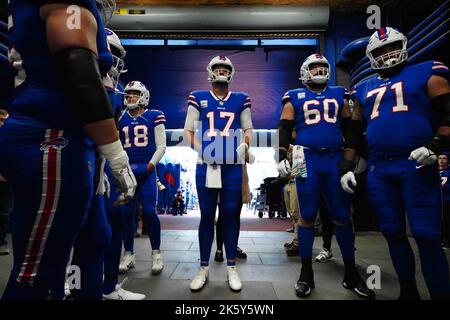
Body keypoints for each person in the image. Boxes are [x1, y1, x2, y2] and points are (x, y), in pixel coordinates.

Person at [1, 0, 136, 300]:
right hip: (52, 139)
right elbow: (78, 68)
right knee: (34, 274)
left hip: (53, 137)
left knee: (81, 243)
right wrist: (116, 155)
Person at [341, 27, 450, 299]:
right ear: (371, 56)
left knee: (426, 235)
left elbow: (447, 115)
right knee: (391, 232)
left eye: (392, 47)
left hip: (417, 164)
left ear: (403, 46)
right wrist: (346, 166)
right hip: (380, 168)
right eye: (380, 50)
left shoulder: (427, 70)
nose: (388, 54)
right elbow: (354, 133)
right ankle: (408, 292)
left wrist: (435, 145)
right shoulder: (363, 87)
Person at [276, 53, 374, 299]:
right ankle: (306, 272)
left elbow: (351, 126)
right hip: (303, 158)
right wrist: (279, 156)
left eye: (323, 66)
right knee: (306, 214)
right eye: (314, 66)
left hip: (333, 157)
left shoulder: (340, 93)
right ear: (304, 71)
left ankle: (351, 273)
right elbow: (285, 127)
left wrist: (349, 160)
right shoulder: (294, 95)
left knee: (341, 215)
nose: (319, 70)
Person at [184, 55, 253, 292]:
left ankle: (232, 267)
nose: (222, 71)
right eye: (218, 68)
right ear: (210, 71)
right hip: (208, 164)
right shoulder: (199, 97)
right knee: (205, 214)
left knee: (230, 214)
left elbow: (247, 129)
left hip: (232, 165)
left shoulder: (241, 98)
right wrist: (201, 151)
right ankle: (203, 267)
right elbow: (188, 131)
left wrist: (245, 144)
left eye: (225, 68)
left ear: (231, 73)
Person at [117, 80, 166, 276]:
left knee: (149, 212)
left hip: (146, 172)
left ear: (143, 96)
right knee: (126, 214)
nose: (130, 97)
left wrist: (150, 165)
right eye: (128, 94)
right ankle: (128, 253)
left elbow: (161, 146)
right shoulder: (120, 118)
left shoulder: (154, 115)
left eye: (134, 94)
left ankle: (156, 253)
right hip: (127, 172)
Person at [0, 110, 13, 256]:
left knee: (4, 214)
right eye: (1, 120)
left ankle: (1, 243)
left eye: (5, 121)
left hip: (7, 182)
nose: (3, 123)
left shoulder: (11, 138)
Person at [439, 153, 450, 249]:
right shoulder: (433, 171)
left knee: (446, 221)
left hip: (446, 201)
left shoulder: (448, 172)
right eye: (440, 158)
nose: (441, 160)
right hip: (435, 201)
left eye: (444, 158)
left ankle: (446, 241)